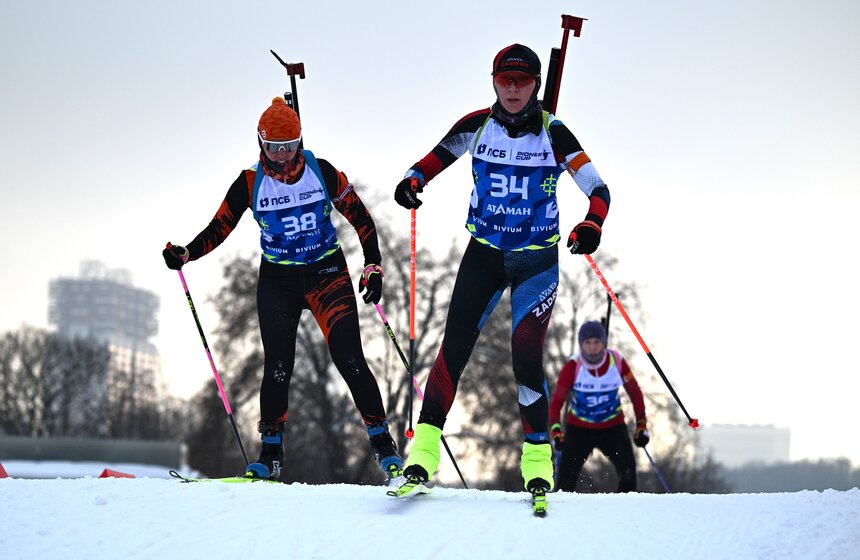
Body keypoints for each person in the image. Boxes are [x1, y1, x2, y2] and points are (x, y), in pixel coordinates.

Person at [392, 44, 612, 494]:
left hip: (535, 260)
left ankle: (537, 461)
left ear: (535, 84)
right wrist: (412, 180)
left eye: (523, 81)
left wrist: (592, 223)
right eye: (505, 81)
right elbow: (431, 160)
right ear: (493, 81)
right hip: (484, 254)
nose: (513, 90)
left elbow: (599, 189)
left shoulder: (554, 132)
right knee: (453, 347)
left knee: (525, 357)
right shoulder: (477, 125)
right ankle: (423, 454)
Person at [162, 96, 402, 481]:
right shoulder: (250, 183)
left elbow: (361, 217)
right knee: (277, 367)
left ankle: (382, 443)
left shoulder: (321, 173)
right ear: (261, 144)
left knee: (349, 358)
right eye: (274, 148)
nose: (283, 156)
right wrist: (187, 253)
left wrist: (373, 264)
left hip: (327, 273)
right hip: (278, 281)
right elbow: (220, 227)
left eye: (290, 146)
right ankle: (271, 452)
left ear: (300, 141)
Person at [548, 320, 649, 492]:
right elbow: (556, 402)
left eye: (597, 342)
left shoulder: (617, 362)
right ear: (581, 344)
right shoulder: (572, 367)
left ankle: (625, 509)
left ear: (603, 342)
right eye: (587, 343)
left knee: (628, 472)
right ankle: (561, 515)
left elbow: (635, 393)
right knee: (565, 480)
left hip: (612, 427)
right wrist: (556, 430)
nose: (592, 347)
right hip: (579, 428)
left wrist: (641, 425)